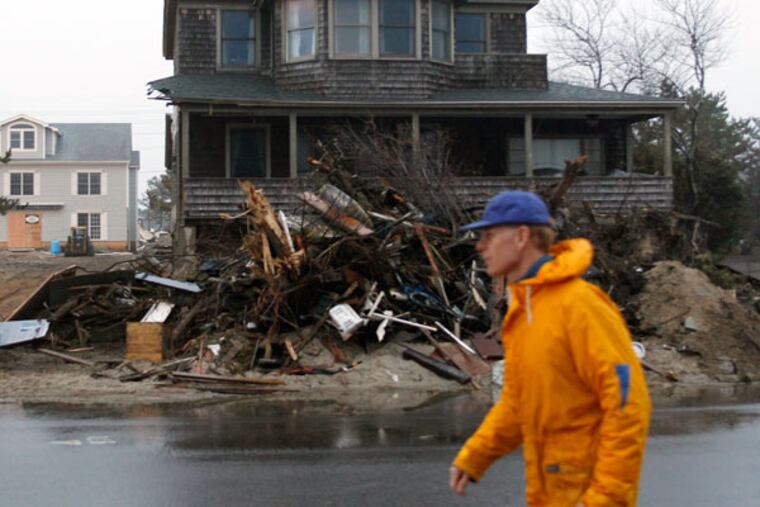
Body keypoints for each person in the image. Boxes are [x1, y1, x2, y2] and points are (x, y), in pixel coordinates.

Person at [449, 191, 651, 506]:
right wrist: (475, 456)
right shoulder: (522, 312)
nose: (480, 246)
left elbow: (627, 403)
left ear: (521, 236)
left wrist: (608, 498)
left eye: (489, 235)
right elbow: (518, 402)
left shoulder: (580, 304)